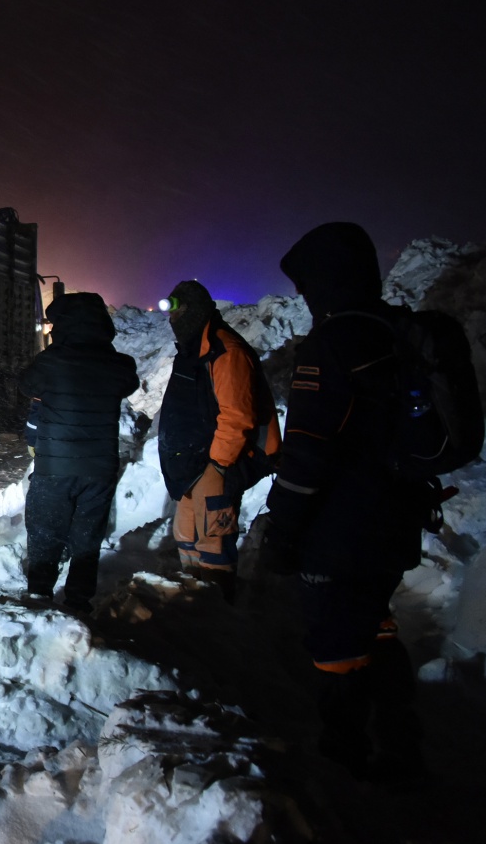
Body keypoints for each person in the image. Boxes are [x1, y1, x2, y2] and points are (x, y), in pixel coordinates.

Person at [263, 223, 429, 780]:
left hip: (341, 531)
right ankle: (400, 740)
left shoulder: (332, 343)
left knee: (337, 643)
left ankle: (346, 758)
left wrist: (283, 531)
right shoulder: (395, 332)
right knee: (375, 622)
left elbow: (307, 454)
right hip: (396, 519)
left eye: (308, 286)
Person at [157, 279, 281, 603]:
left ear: (195, 312)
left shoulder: (226, 351)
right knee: (186, 534)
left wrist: (218, 465)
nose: (173, 321)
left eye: (178, 312)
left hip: (219, 462)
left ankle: (218, 611)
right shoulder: (193, 349)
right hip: (193, 464)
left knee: (212, 540)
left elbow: (237, 417)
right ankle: (194, 600)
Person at [20, 292, 139, 612]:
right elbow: (128, 383)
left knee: (46, 531)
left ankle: (39, 595)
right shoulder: (118, 364)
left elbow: (27, 386)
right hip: (99, 470)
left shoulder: (49, 363)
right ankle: (78, 601)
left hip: (54, 468)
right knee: (88, 537)